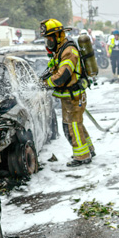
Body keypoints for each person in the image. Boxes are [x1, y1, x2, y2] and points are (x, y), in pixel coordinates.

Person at [40, 18, 95, 166]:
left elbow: (63, 76)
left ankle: (82, 157)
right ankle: (89, 149)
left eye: (50, 39)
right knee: (77, 124)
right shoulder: (61, 49)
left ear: (58, 36)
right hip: (69, 96)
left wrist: (46, 84)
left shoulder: (68, 51)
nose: (48, 42)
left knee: (72, 126)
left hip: (73, 96)